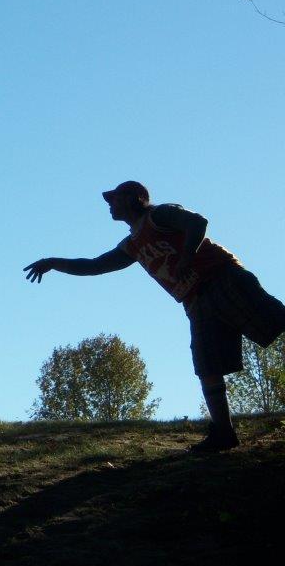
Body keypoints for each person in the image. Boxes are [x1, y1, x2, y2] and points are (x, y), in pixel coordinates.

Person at [24, 180, 285, 453]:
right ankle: (224, 433)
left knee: (276, 321)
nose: (109, 204)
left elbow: (197, 222)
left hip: (221, 279)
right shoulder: (132, 244)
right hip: (195, 301)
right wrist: (53, 263)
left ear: (135, 198)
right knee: (208, 366)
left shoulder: (159, 215)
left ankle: (223, 432)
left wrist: (186, 257)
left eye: (114, 198)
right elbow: (95, 266)